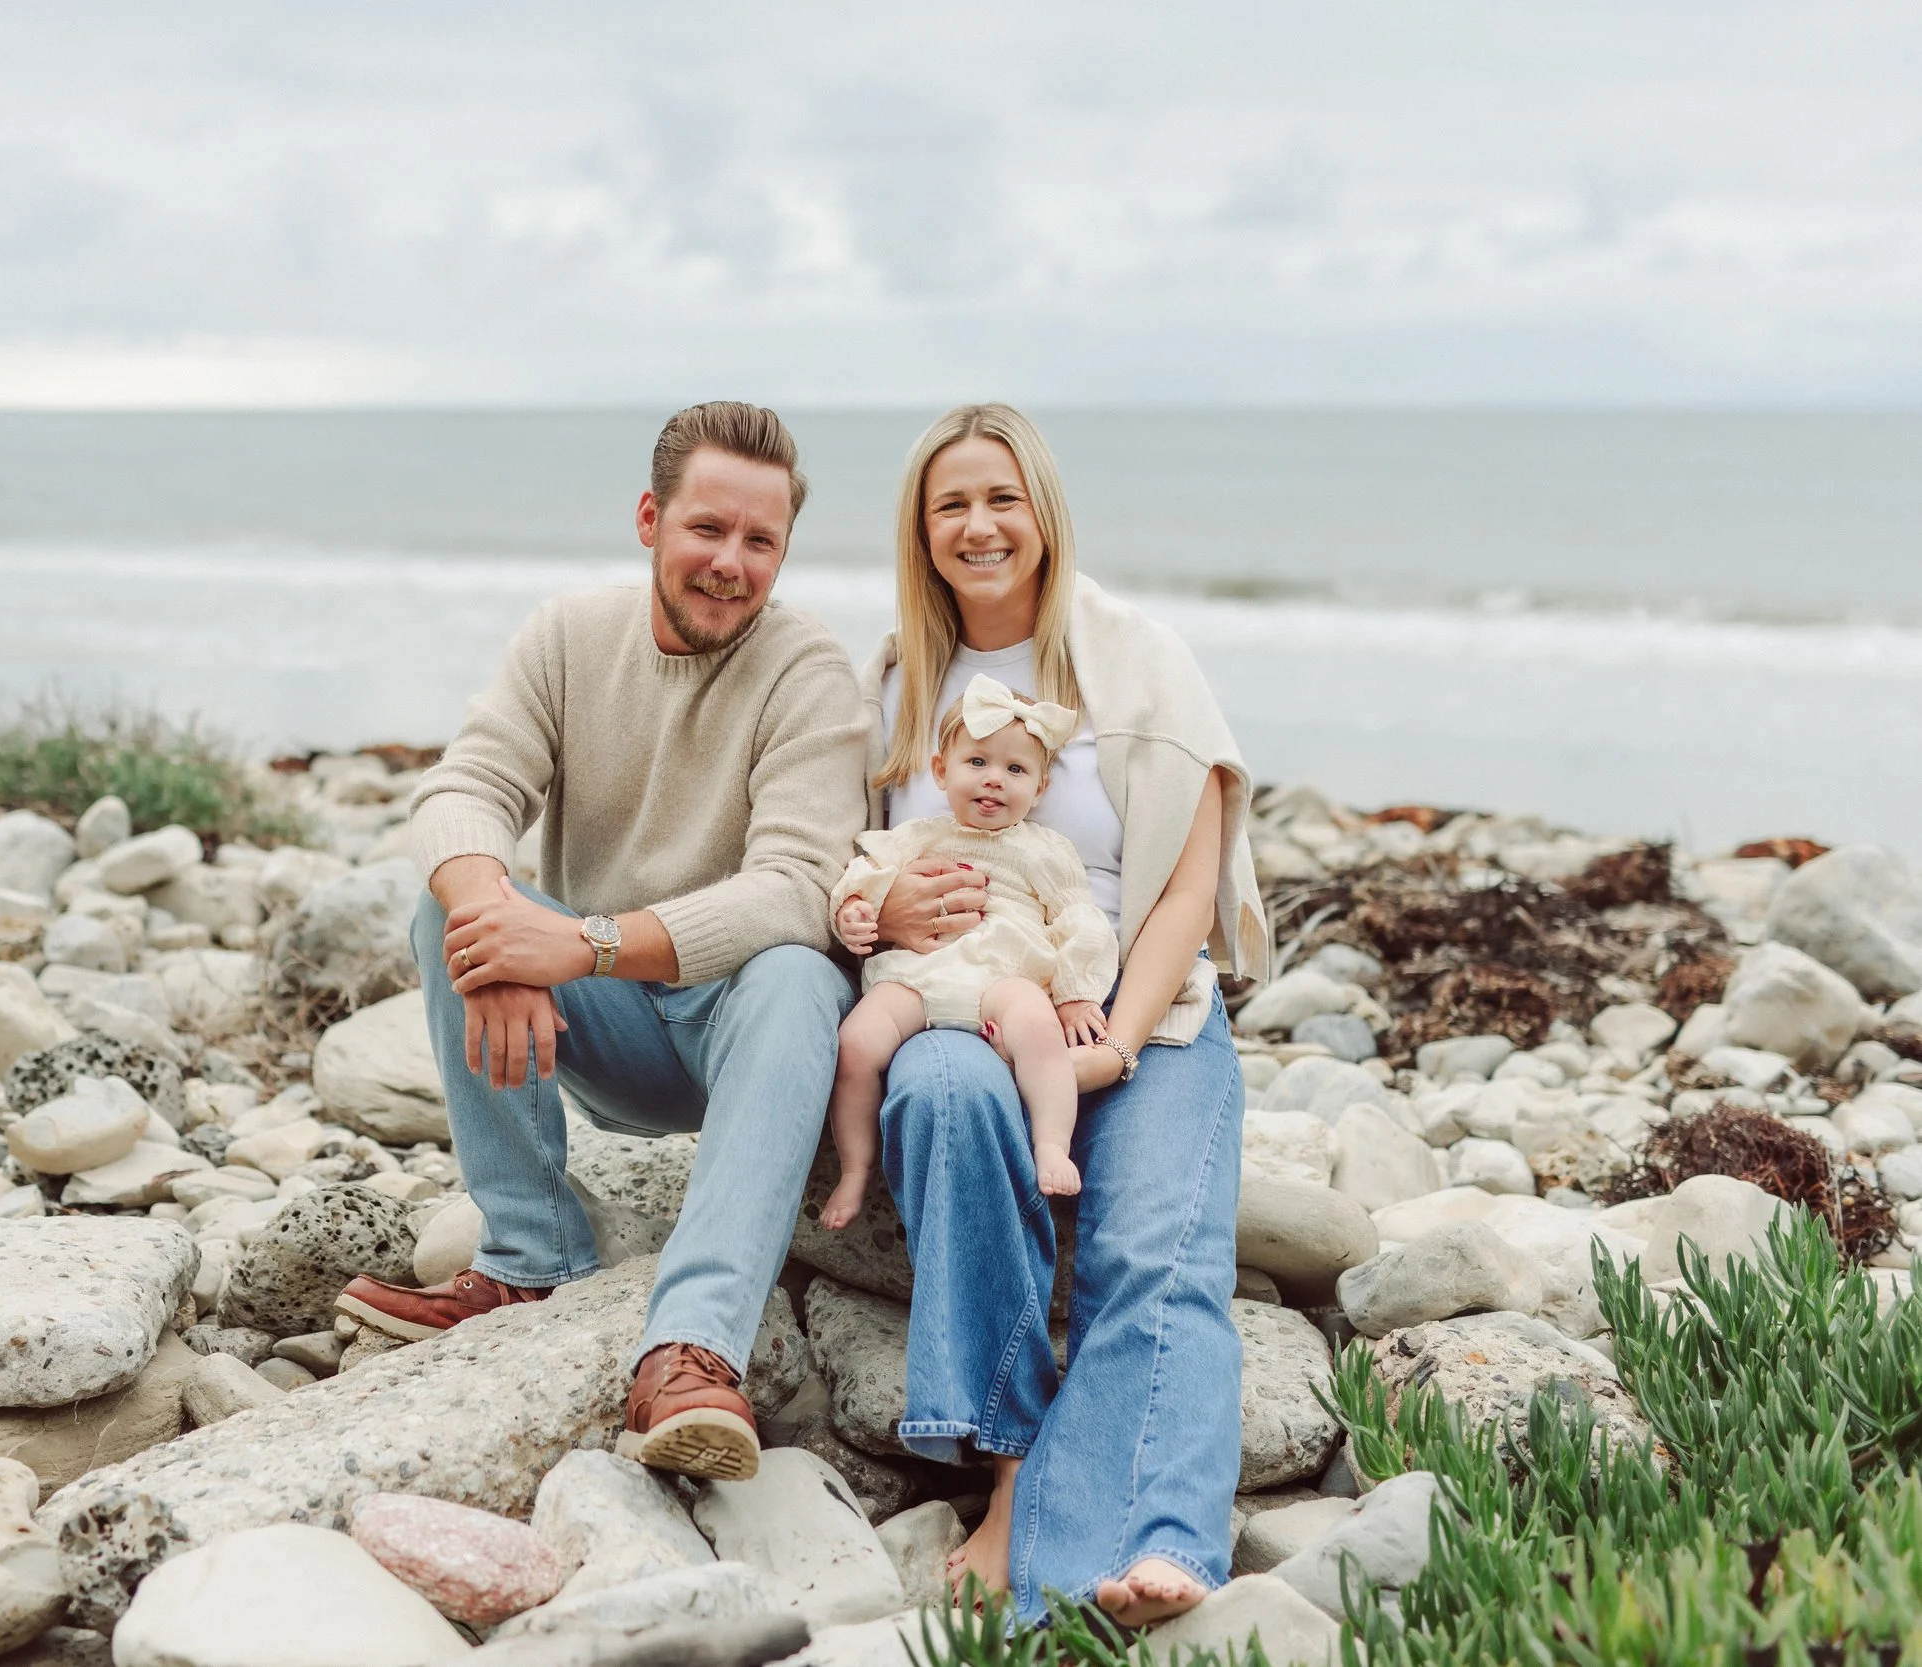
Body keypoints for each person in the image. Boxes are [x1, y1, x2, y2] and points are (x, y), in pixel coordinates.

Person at [335, 401, 868, 1483]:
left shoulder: (807, 669)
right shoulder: (570, 636)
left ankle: (691, 1348)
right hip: (616, 1033)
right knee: (453, 903)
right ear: (648, 518)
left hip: (745, 1038)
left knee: (798, 972)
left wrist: (576, 942)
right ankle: (530, 1257)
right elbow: (462, 788)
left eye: (759, 541)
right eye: (707, 528)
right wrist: (495, 925)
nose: (730, 562)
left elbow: (799, 888)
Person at [858, 404, 1270, 1628]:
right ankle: (1009, 1471)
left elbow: (1187, 890)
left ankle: (1160, 1539)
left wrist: (1118, 1040)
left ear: (1044, 513)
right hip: (964, 999)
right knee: (939, 1090)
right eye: (951, 506)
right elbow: (850, 868)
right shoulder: (891, 684)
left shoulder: (1140, 661)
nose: (979, 526)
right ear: (921, 532)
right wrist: (886, 908)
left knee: (1154, 1252)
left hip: (1138, 1001)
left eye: (1002, 499)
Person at [819, 674, 1118, 1230]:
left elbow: (1079, 920)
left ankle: (1051, 1143)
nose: (994, 781)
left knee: (1037, 1026)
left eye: (1016, 769)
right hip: (916, 976)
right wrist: (856, 909)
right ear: (940, 770)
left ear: (1042, 787)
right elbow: (866, 875)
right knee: (855, 1046)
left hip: (1001, 981)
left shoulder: (1044, 850)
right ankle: (856, 1167)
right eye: (977, 763)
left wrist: (1076, 995)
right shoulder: (918, 836)